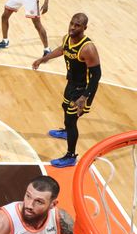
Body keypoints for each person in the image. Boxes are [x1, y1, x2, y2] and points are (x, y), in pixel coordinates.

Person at [32, 13, 102, 168]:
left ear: (84, 28)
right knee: (65, 108)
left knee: (71, 120)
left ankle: (70, 156)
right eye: (71, 23)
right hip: (71, 83)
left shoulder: (87, 49)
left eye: (77, 25)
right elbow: (62, 49)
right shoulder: (67, 38)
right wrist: (43, 59)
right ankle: (66, 132)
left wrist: (84, 97)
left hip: (83, 89)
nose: (72, 27)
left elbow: (97, 76)